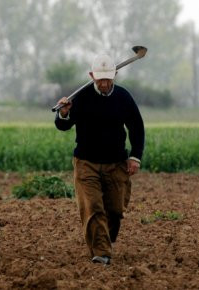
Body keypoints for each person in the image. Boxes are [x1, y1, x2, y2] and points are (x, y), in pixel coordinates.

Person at [54, 53, 145, 265]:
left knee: (114, 210)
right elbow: (63, 125)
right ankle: (101, 252)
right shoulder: (81, 98)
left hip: (116, 163)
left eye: (108, 79)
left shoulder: (123, 98)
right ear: (91, 75)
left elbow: (137, 128)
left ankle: (104, 240)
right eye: (100, 79)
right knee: (93, 207)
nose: (104, 83)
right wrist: (64, 113)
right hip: (87, 163)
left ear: (114, 75)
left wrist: (135, 157)